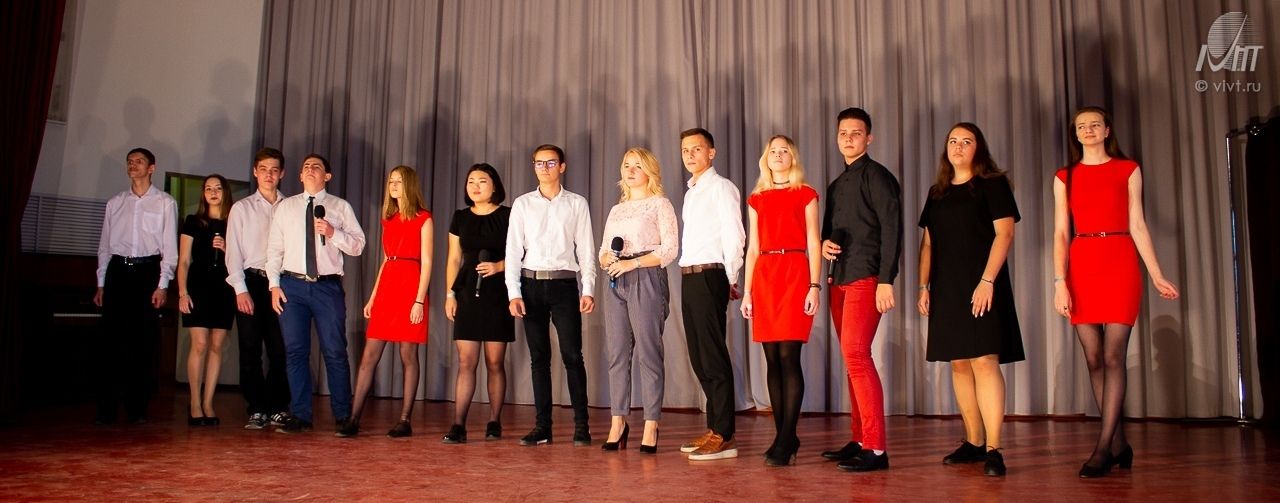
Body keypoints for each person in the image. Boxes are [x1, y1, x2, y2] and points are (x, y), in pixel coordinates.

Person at [1052, 106, 1180, 478]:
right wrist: (1059, 281)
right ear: (1076, 134)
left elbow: (1138, 224)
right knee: (1093, 358)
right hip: (1082, 262)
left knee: (1112, 357)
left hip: (1120, 258)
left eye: (1095, 124)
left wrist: (1156, 274)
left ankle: (1103, 448)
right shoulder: (1064, 176)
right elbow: (1060, 232)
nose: (1088, 130)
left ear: (1107, 130)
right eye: (1082, 126)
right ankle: (1120, 444)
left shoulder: (1128, 169)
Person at [916, 123, 1024, 477]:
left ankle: (994, 448)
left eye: (966, 141)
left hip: (983, 283)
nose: (958, 146)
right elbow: (928, 244)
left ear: (979, 148)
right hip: (947, 287)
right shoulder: (937, 193)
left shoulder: (992, 184)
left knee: (984, 360)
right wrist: (923, 287)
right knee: (959, 363)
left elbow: (1004, 234)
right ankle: (974, 442)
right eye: (953, 141)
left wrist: (987, 280)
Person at [820, 107, 902, 472]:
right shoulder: (837, 184)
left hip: (867, 276)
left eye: (856, 132)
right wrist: (824, 244)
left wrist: (887, 279)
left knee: (857, 355)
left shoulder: (879, 177)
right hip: (839, 278)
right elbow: (828, 233)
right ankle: (859, 439)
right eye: (843, 133)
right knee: (851, 360)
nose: (849, 138)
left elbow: (892, 230)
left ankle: (877, 449)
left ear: (869, 137)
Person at [265, 153, 366, 434]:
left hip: (327, 287)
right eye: (306, 166)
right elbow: (274, 250)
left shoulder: (340, 207)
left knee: (335, 350)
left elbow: (358, 245)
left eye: (316, 166)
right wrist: (274, 285)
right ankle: (301, 415)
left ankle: (343, 415)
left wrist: (333, 233)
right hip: (292, 286)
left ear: (327, 176)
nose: (310, 169)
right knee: (295, 351)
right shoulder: (285, 208)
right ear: (299, 176)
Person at [504, 144, 597, 447]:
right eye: (539, 163)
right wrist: (514, 292)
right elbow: (513, 250)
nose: (544, 168)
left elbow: (586, 249)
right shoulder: (522, 204)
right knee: (539, 359)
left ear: (562, 166)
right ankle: (542, 426)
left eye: (551, 163)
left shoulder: (577, 203)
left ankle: (581, 425)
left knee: (572, 355)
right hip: (530, 286)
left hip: (564, 285)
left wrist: (588, 288)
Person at [740, 135, 822, 466]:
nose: (778, 155)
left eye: (784, 150)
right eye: (773, 151)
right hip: (765, 275)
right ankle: (783, 436)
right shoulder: (757, 198)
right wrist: (747, 292)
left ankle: (787, 438)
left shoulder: (806, 193)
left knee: (789, 355)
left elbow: (814, 242)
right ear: (765, 158)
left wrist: (814, 285)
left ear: (793, 157)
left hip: (795, 272)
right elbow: (753, 248)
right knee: (771, 358)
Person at [339, 166, 431, 438]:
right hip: (389, 286)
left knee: (407, 354)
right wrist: (373, 297)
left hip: (410, 286)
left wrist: (419, 301)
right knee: (369, 355)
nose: (393, 185)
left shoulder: (423, 218)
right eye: (391, 181)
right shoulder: (388, 219)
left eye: (399, 181)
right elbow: (386, 260)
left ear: (409, 184)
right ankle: (354, 419)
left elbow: (427, 262)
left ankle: (404, 420)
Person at [597, 147, 679, 453]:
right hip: (616, 279)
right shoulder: (616, 210)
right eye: (626, 165)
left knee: (648, 352)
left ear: (649, 171)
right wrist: (606, 258)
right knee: (617, 353)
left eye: (637, 166)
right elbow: (604, 248)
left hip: (645, 276)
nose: (630, 170)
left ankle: (651, 424)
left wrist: (634, 263)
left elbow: (669, 249)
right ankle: (618, 421)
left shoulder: (660, 204)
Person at [92, 147, 178, 425]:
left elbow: (169, 249)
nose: (133, 165)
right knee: (111, 342)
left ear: (151, 168)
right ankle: (107, 407)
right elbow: (105, 247)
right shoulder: (115, 203)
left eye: (139, 161)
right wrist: (101, 283)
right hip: (118, 271)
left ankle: (137, 407)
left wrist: (162, 284)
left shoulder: (165, 202)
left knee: (143, 342)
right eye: (130, 161)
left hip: (147, 272)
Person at [676, 128, 746, 461]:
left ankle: (725, 434)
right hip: (689, 276)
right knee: (698, 355)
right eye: (685, 150)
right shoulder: (691, 193)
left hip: (711, 275)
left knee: (713, 355)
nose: (690, 155)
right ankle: (714, 426)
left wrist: (730, 277)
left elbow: (735, 235)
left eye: (697, 149)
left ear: (711, 153)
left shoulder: (722, 187)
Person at [442, 163, 513, 443]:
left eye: (482, 181)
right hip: (467, 290)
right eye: (471, 181)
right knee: (465, 361)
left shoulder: (508, 215)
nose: (475, 186)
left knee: (495, 362)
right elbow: (453, 259)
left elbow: (522, 253)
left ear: (494, 186)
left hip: (498, 291)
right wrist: (450, 295)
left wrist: (499, 266)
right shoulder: (460, 217)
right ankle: (458, 424)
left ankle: (494, 421)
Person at [225, 147, 291, 430]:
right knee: (250, 348)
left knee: (280, 348)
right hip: (250, 281)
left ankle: (278, 407)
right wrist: (240, 289)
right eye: (263, 169)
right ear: (255, 172)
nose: (268, 175)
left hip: (282, 284)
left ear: (282, 174)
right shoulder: (241, 208)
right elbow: (233, 252)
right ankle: (256, 408)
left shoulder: (290, 207)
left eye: (274, 170)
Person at [176, 174, 236, 426]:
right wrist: (182, 292)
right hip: (198, 285)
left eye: (217, 188)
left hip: (224, 287)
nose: (213, 192)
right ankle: (194, 403)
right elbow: (183, 260)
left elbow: (242, 259)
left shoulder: (234, 222)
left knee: (216, 346)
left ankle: (209, 402)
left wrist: (226, 249)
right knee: (199, 344)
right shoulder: (193, 221)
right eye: (208, 188)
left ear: (225, 192)